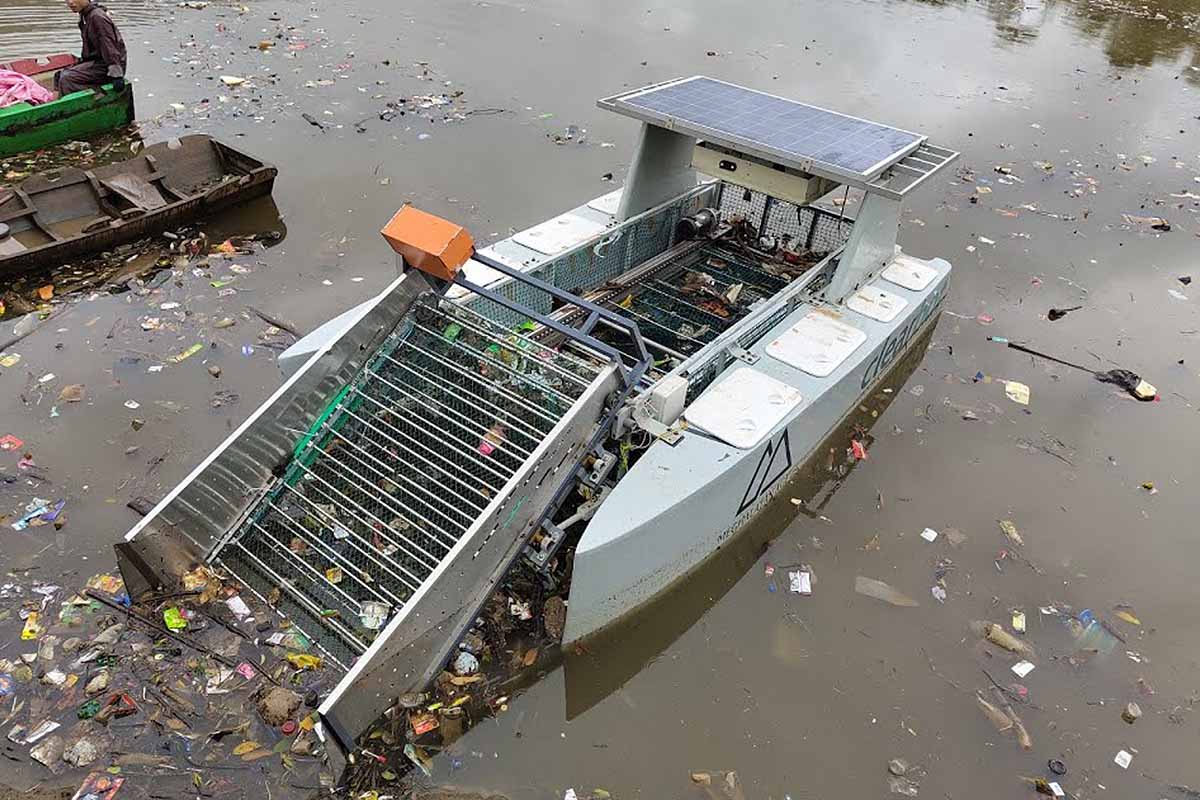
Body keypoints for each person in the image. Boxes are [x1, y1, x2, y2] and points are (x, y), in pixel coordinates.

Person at [54, 0, 127, 97]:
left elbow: (109, 46)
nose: (70, 2)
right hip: (96, 61)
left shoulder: (97, 17)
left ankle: (76, 108)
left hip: (106, 66)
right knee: (58, 76)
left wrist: (116, 75)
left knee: (67, 79)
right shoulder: (85, 14)